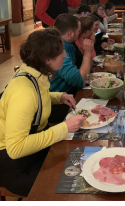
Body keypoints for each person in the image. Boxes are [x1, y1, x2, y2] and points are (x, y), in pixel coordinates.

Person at [0, 28, 85, 197]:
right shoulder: (23, 93)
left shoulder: (34, 73)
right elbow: (15, 148)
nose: (65, 56)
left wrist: (58, 97)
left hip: (32, 147)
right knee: (70, 187)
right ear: (47, 59)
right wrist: (64, 128)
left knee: (77, 158)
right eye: (61, 52)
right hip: (13, 163)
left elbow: (39, 94)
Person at [49, 14, 94, 95]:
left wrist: (89, 51)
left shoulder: (70, 44)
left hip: (69, 93)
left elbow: (86, 70)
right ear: (70, 34)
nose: (79, 34)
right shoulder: (57, 50)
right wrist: (87, 52)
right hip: (57, 101)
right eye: (78, 31)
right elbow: (81, 81)